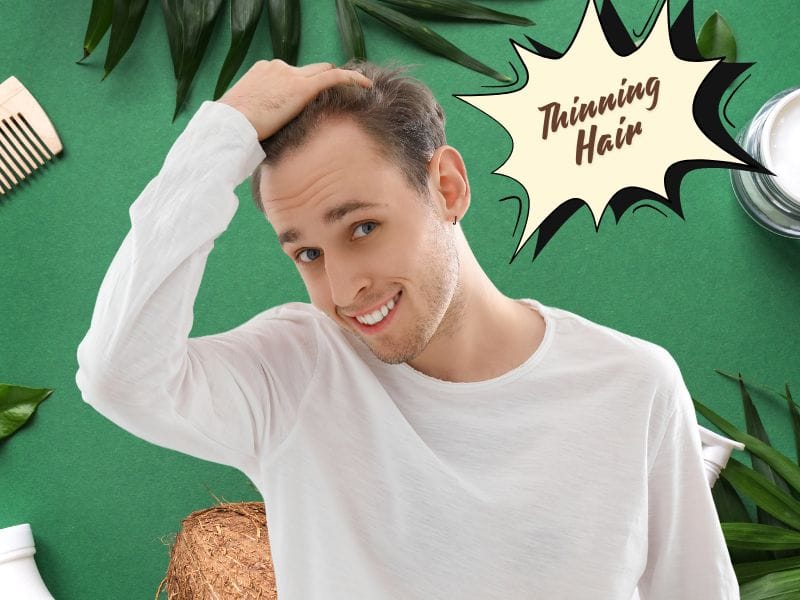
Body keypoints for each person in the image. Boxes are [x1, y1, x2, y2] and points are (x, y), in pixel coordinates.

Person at [76, 59, 739, 599]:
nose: (342, 289)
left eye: (362, 227)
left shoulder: (630, 385)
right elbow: (119, 374)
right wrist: (224, 133)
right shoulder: (296, 373)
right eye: (306, 252)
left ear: (447, 187)